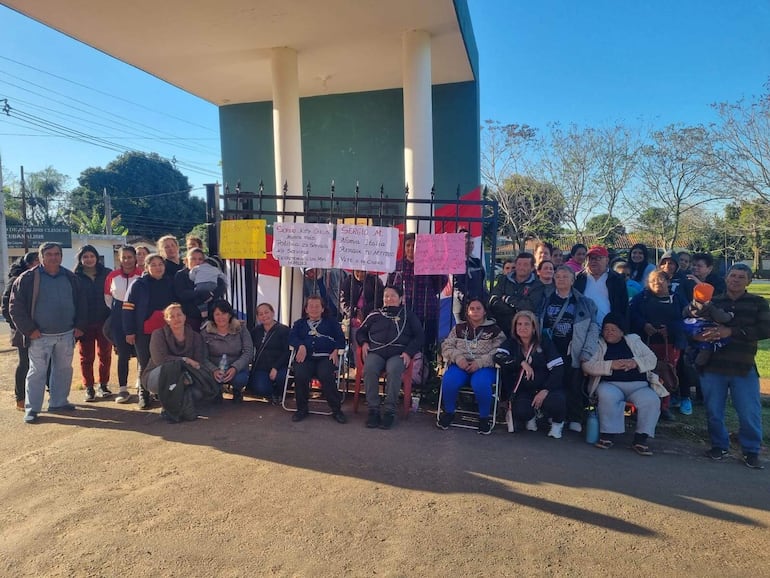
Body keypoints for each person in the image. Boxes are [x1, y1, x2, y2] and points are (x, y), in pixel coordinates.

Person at [695, 264, 770, 469]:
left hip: (743, 366)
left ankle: (751, 450)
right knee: (713, 411)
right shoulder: (714, 302)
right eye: (732, 276)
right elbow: (697, 323)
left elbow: (765, 329)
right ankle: (719, 445)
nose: (735, 280)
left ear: (749, 281)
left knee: (749, 412)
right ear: (726, 278)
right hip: (713, 365)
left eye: (741, 277)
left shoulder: (758, 303)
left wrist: (731, 332)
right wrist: (699, 334)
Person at [9, 242, 87, 424]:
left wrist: (80, 326)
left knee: (63, 370)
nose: (53, 257)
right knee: (37, 372)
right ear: (42, 256)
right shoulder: (27, 278)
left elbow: (82, 303)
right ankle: (32, 409)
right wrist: (30, 330)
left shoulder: (70, 277)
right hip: (39, 336)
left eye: (57, 254)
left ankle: (58, 402)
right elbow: (15, 307)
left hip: (67, 334)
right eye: (49, 254)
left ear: (61, 256)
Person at [582, 312, 662, 456]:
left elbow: (652, 359)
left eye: (613, 329)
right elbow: (587, 365)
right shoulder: (598, 343)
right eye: (606, 329)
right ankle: (608, 435)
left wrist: (635, 362)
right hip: (610, 383)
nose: (609, 333)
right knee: (607, 396)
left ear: (621, 331)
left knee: (651, 400)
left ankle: (641, 439)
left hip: (638, 385)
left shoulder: (634, 340)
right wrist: (610, 365)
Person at [541, 266, 599, 432]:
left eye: (565, 277)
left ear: (573, 280)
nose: (561, 280)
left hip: (573, 349)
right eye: (558, 276)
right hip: (550, 349)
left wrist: (587, 351)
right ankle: (554, 414)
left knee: (574, 384)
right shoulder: (546, 299)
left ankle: (575, 417)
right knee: (553, 382)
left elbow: (594, 328)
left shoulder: (584, 303)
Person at [357, 285, 424, 429]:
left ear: (401, 299)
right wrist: (363, 343)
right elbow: (360, 332)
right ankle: (373, 410)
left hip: (398, 354)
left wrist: (408, 352)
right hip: (376, 352)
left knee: (394, 370)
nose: (389, 299)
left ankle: (389, 411)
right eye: (386, 296)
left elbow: (419, 336)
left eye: (393, 296)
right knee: (369, 368)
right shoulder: (375, 314)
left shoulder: (408, 316)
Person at [436, 299, 505, 434]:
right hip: (461, 364)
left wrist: (480, 363)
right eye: (472, 308)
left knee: (480, 383)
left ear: (485, 311)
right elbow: (446, 346)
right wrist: (459, 358)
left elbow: (499, 351)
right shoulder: (458, 328)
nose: (475, 311)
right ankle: (449, 412)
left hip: (484, 366)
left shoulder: (495, 330)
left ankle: (484, 418)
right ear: (467, 311)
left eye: (478, 308)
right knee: (449, 379)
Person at [494, 310, 566, 438]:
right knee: (520, 410)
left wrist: (546, 390)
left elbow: (558, 369)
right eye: (519, 324)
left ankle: (557, 424)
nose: (522, 327)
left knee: (557, 401)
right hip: (525, 391)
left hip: (546, 388)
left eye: (527, 324)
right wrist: (521, 362)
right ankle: (532, 416)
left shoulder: (544, 342)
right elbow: (498, 356)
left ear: (534, 327)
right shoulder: (512, 343)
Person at [143, 303, 219, 421]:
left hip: (187, 377)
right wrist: (184, 360)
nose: (176, 319)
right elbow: (159, 360)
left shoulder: (196, 337)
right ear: (167, 320)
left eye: (179, 315)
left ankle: (174, 406)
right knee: (172, 369)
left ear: (184, 317)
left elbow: (198, 362)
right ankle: (176, 406)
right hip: (158, 375)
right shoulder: (158, 334)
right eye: (171, 316)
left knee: (197, 393)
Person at [629, 270, 688, 419]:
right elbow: (631, 315)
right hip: (644, 343)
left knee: (666, 374)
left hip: (669, 344)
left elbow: (688, 320)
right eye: (652, 280)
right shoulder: (640, 298)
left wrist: (671, 329)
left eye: (660, 280)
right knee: (643, 374)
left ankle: (664, 407)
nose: (656, 283)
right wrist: (644, 325)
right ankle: (641, 407)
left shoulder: (678, 299)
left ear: (668, 282)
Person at [123, 254, 176, 409]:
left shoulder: (169, 282)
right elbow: (127, 309)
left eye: (160, 264)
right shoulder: (138, 284)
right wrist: (129, 331)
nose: (158, 267)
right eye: (153, 265)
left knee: (163, 360)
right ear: (146, 267)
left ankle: (160, 390)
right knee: (145, 362)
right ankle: (143, 393)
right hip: (144, 331)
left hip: (166, 330)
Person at [288, 295, 347, 423]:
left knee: (326, 375)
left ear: (322, 309)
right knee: (301, 374)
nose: (314, 309)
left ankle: (336, 410)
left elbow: (341, 339)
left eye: (317, 306)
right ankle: (302, 409)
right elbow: (292, 338)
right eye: (311, 306)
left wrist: (336, 350)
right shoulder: (299, 324)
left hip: (325, 357)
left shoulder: (332, 323)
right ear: (306, 309)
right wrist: (301, 345)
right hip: (306, 358)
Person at [387, 233, 447, 354]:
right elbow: (390, 286)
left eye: (413, 245)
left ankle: (427, 369)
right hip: (404, 312)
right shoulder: (398, 265)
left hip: (426, 310)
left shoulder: (429, 263)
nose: (410, 248)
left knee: (427, 344)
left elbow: (441, 281)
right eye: (408, 245)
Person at [74, 245, 113, 402]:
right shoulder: (75, 277)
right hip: (84, 323)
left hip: (104, 321)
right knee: (86, 356)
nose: (89, 259)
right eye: (85, 257)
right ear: (81, 259)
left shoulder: (107, 273)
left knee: (105, 354)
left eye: (91, 256)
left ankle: (103, 385)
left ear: (97, 257)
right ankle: (89, 387)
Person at [104, 245, 142, 403]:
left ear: (135, 258)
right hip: (118, 317)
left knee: (142, 353)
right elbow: (107, 298)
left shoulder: (142, 274)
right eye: (124, 257)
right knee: (123, 354)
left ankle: (142, 386)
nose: (127, 260)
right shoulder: (112, 276)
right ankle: (122, 389)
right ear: (119, 259)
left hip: (139, 315)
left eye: (130, 257)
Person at [2, 251, 39, 411]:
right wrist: (18, 326)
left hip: (41, 330)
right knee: (25, 364)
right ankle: (21, 399)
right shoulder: (16, 280)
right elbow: (6, 308)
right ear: (29, 263)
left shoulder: (40, 278)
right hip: (22, 331)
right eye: (38, 260)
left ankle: (52, 394)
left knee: (45, 363)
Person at [201, 300, 253, 402]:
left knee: (240, 379)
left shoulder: (241, 328)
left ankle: (237, 390)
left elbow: (248, 352)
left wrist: (235, 368)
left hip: (236, 368)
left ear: (229, 314)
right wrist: (214, 370)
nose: (221, 317)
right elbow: (202, 356)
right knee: (207, 379)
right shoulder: (205, 332)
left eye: (224, 313)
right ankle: (216, 390)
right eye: (217, 314)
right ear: (213, 316)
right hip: (215, 369)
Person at [489, 252, 546, 338]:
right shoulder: (503, 280)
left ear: (532, 268)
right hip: (500, 326)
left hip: (524, 330)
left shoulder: (538, 285)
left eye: (525, 265)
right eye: (519, 264)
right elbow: (493, 300)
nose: (521, 267)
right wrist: (512, 310)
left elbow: (530, 306)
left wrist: (507, 299)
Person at [574, 245, 629, 326]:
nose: (593, 261)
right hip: (583, 327)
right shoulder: (577, 278)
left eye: (598, 258)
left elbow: (623, 306)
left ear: (607, 260)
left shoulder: (616, 279)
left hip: (609, 329)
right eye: (590, 258)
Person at [683, 282, 733, 369]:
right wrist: (730, 315)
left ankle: (688, 360)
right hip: (706, 328)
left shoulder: (690, 306)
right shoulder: (710, 307)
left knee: (690, 346)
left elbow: (683, 314)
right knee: (706, 348)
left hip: (693, 328)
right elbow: (721, 318)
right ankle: (698, 365)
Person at [173, 248, 226, 330]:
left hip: (211, 315)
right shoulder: (181, 275)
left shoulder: (209, 271)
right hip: (190, 315)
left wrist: (212, 294)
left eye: (200, 259)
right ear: (186, 261)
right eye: (193, 259)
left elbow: (222, 286)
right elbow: (181, 293)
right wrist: (200, 293)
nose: (197, 261)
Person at [249, 302, 290, 404]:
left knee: (282, 378)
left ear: (273, 313)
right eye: (261, 314)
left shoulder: (284, 330)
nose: (264, 316)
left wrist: (276, 367)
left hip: (280, 366)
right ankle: (272, 394)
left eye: (266, 312)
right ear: (258, 317)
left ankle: (280, 393)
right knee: (260, 388)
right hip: (262, 367)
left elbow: (287, 352)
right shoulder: (255, 331)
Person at [339, 270, 384, 365]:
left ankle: (370, 364)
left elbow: (379, 300)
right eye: (357, 272)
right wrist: (354, 311)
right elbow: (343, 302)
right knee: (356, 343)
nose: (360, 275)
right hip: (354, 318)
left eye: (363, 272)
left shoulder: (375, 281)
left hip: (371, 317)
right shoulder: (348, 281)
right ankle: (358, 365)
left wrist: (364, 311)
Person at [452, 228, 487, 322]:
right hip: (462, 306)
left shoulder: (477, 261)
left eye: (472, 243)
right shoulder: (455, 262)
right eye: (467, 243)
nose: (470, 246)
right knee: (463, 333)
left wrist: (484, 299)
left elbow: (483, 283)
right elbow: (456, 286)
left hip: (479, 305)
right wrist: (469, 300)